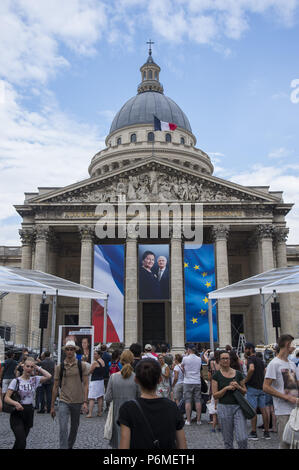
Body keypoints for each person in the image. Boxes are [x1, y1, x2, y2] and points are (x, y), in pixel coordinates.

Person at [118, 358, 187, 449]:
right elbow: (182, 446)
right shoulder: (172, 407)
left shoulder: (127, 408)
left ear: (136, 379)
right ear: (159, 380)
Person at [4, 356, 51, 449]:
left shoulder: (35, 379)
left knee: (20, 442)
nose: (29, 369)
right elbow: (6, 398)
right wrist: (16, 403)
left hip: (29, 411)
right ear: (23, 367)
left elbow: (49, 376)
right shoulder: (16, 381)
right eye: (27, 366)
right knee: (22, 441)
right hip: (17, 412)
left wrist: (38, 367)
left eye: (31, 367)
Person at [50, 340, 89, 449]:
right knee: (63, 427)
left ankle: (69, 446)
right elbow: (55, 387)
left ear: (75, 350)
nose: (70, 351)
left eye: (72, 349)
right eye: (68, 349)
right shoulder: (59, 367)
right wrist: (52, 406)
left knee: (74, 428)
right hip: (64, 400)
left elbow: (86, 384)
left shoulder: (82, 365)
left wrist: (85, 402)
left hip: (78, 401)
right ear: (65, 351)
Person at [263, 334, 299, 449]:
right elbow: (266, 387)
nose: (294, 347)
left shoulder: (291, 363)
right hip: (283, 412)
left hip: (295, 410)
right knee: (286, 444)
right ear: (287, 345)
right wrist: (287, 397)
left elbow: (294, 385)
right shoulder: (274, 364)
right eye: (292, 344)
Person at [212, 350, 248, 449]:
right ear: (219, 361)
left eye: (227, 358)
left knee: (242, 438)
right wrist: (225, 389)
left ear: (230, 360)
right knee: (228, 440)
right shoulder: (216, 376)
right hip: (224, 408)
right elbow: (215, 395)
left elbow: (245, 391)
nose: (225, 360)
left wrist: (238, 387)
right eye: (223, 358)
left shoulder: (238, 374)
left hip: (238, 407)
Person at [105, 350, 139, 449]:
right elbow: (140, 397)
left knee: (118, 443)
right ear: (132, 361)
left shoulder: (113, 377)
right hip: (133, 414)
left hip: (117, 413)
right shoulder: (136, 378)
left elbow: (107, 398)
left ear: (121, 361)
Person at [243, 342, 270, 440]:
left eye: (245, 349)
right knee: (264, 410)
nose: (244, 351)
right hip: (261, 387)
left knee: (252, 410)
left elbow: (251, 369)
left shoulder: (250, 359)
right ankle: (266, 432)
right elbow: (264, 372)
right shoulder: (260, 360)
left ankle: (254, 432)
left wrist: (246, 380)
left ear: (249, 349)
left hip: (252, 387)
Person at [181, 344, 202, 426]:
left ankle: (188, 420)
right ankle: (198, 420)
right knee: (198, 400)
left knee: (188, 401)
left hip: (187, 381)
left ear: (189, 350)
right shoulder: (199, 358)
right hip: (197, 381)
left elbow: (182, 368)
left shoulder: (185, 358)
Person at [86, 349, 105, 418]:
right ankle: (99, 412)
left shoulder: (95, 362)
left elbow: (90, 371)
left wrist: (86, 374)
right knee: (100, 397)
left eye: (95, 354)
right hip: (101, 381)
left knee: (91, 397)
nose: (94, 355)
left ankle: (90, 413)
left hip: (95, 381)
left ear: (99, 355)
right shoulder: (103, 361)